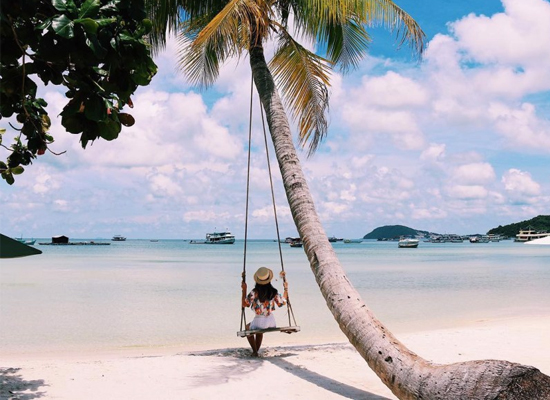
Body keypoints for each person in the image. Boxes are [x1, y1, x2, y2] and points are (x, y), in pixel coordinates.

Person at [241, 267, 288, 356]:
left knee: (248, 328)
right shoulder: (273, 291)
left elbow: (244, 304)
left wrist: (244, 289)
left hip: (259, 320)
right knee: (259, 331)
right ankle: (256, 351)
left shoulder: (254, 292)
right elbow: (283, 302)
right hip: (271, 321)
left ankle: (255, 351)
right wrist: (286, 289)